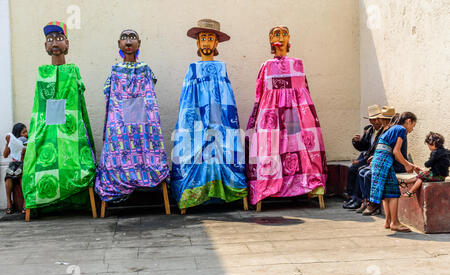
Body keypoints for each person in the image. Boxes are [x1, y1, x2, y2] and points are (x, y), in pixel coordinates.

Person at [170, 19, 248, 212]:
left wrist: (223, 122)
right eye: (202, 38)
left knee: (224, 150)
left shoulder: (222, 68)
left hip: (218, 121)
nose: (206, 42)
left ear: (216, 44)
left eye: (210, 38)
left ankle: (225, 191)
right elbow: (187, 101)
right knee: (196, 150)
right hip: (198, 121)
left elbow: (227, 97)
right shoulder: (192, 69)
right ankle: (193, 195)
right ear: (197, 43)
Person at [245, 26, 327, 206]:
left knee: (301, 147)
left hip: (295, 114)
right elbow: (260, 95)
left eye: (284, 34)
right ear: (270, 39)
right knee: (269, 147)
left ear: (289, 38)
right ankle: (269, 186)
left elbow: (305, 90)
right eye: (276, 34)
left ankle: (308, 185)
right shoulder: (266, 66)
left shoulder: (297, 63)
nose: (280, 37)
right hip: (271, 114)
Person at [22, 21, 96, 216]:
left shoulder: (72, 71)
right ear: (45, 46)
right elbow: (39, 110)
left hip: (70, 130)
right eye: (49, 39)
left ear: (67, 44)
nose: (54, 42)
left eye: (59, 38)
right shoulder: (42, 73)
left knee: (77, 163)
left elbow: (77, 105)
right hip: (46, 131)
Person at [95, 29, 169, 203]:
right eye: (124, 38)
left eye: (132, 38)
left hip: (143, 125)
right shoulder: (115, 71)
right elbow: (109, 93)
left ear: (139, 43)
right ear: (119, 44)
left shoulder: (145, 70)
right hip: (120, 127)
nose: (128, 42)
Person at [369, 112, 417, 232]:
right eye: (413, 126)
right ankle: (395, 222)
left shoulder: (392, 128)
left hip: (379, 161)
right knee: (393, 192)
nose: (412, 129)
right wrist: (406, 165)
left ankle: (388, 221)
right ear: (409, 121)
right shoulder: (401, 129)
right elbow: (396, 152)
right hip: (384, 161)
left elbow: (393, 152)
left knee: (386, 193)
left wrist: (412, 165)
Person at [344, 105, 383, 210]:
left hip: (376, 159)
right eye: (373, 120)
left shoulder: (383, 131)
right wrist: (356, 141)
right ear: (370, 120)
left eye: (377, 119)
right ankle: (352, 197)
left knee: (359, 170)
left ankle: (359, 199)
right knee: (353, 168)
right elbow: (364, 146)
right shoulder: (371, 130)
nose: (376, 122)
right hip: (368, 159)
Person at [399, 132, 449, 197]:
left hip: (436, 175)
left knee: (420, 177)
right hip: (443, 176)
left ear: (433, 144)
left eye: (429, 146)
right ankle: (404, 181)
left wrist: (426, 163)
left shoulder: (435, 152)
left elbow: (428, 164)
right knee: (422, 174)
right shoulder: (446, 152)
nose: (429, 148)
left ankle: (409, 192)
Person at [3, 123, 28, 214]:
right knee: (8, 178)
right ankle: (9, 203)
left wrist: (24, 151)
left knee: (22, 177)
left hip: (24, 164)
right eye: (23, 132)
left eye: (26, 131)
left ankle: (25, 202)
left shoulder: (27, 141)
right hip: (14, 164)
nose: (26, 134)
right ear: (17, 134)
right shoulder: (13, 142)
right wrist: (8, 143)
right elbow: (5, 155)